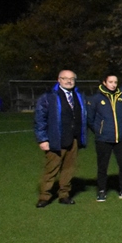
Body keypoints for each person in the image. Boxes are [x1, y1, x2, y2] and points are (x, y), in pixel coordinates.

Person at [35, 69, 88, 207]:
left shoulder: (79, 96)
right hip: (55, 139)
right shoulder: (48, 97)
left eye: (72, 78)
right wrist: (42, 139)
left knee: (69, 169)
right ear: (59, 80)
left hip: (74, 139)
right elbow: (40, 119)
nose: (69, 81)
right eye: (65, 78)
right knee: (51, 169)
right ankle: (44, 196)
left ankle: (64, 195)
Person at [87, 73, 122, 202]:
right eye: (110, 82)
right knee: (103, 166)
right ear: (104, 82)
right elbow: (90, 119)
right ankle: (101, 190)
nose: (113, 85)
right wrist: (99, 131)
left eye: (115, 82)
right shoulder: (96, 98)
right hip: (103, 139)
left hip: (121, 138)